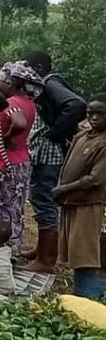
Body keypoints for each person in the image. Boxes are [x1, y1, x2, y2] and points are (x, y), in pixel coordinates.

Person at [20, 51, 88, 272]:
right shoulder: (43, 87)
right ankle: (41, 249)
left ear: (38, 68)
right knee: (39, 198)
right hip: (44, 152)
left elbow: (76, 105)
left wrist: (55, 133)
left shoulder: (50, 84)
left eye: (27, 68)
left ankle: (47, 259)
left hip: (50, 153)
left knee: (46, 200)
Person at [0, 62, 38, 255]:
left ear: (10, 83)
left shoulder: (11, 103)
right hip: (21, 161)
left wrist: (7, 137)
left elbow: (19, 123)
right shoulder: (29, 103)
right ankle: (11, 250)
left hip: (2, 164)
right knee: (13, 208)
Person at [55, 94, 106, 299]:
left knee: (89, 253)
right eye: (90, 113)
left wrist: (64, 189)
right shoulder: (83, 135)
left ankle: (90, 297)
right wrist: (62, 188)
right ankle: (81, 295)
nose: (93, 118)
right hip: (74, 202)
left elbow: (94, 179)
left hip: (92, 204)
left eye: (100, 114)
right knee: (76, 252)